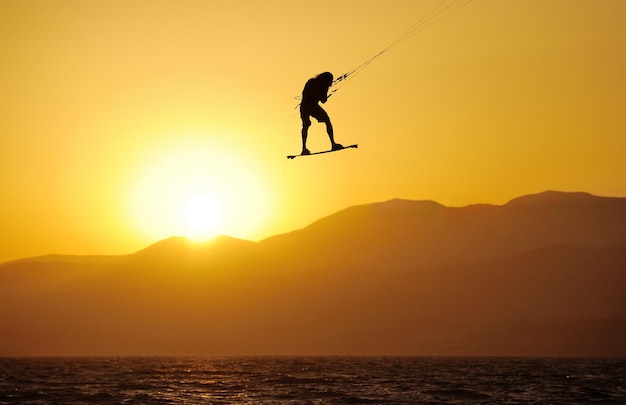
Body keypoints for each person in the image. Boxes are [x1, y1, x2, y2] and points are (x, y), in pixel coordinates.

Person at [300, 72, 343, 155]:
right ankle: (333, 144)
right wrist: (325, 91)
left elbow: (304, 94)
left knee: (306, 125)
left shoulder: (311, 81)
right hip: (311, 106)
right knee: (326, 121)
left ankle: (304, 148)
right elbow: (323, 101)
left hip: (305, 106)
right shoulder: (322, 86)